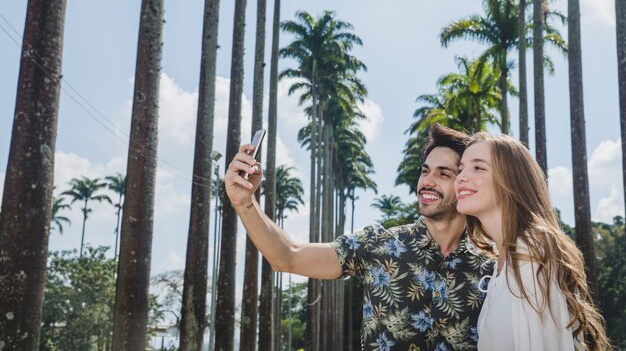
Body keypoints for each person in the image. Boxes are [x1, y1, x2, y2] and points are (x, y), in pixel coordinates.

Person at [225, 124, 494, 351]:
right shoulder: (379, 245)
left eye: (443, 173)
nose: (427, 181)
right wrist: (245, 203)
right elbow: (288, 256)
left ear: (464, 183)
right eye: (425, 170)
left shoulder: (493, 267)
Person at [454, 133, 611, 351]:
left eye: (478, 168)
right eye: (461, 169)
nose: (460, 177)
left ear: (511, 179)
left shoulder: (532, 248)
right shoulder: (502, 266)